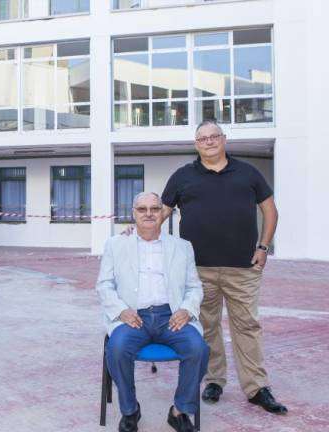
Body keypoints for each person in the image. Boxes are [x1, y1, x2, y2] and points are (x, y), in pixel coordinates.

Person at [160, 119, 287, 414]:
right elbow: (161, 213)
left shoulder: (248, 173)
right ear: (196, 144)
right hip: (198, 270)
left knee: (247, 326)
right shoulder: (182, 176)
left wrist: (263, 247)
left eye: (214, 136)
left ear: (224, 139)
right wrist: (136, 231)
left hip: (243, 268)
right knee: (206, 327)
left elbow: (270, 210)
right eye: (202, 138)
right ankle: (214, 380)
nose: (209, 142)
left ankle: (256, 388)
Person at [97, 192, 209, 432]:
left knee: (198, 349)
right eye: (142, 209)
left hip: (172, 317)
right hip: (133, 317)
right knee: (116, 348)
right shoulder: (115, 245)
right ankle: (130, 411)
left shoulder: (182, 247)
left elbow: (194, 287)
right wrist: (121, 311)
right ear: (133, 214)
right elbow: (104, 285)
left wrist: (187, 310)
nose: (149, 213)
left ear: (163, 213)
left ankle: (179, 411)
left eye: (154, 209)